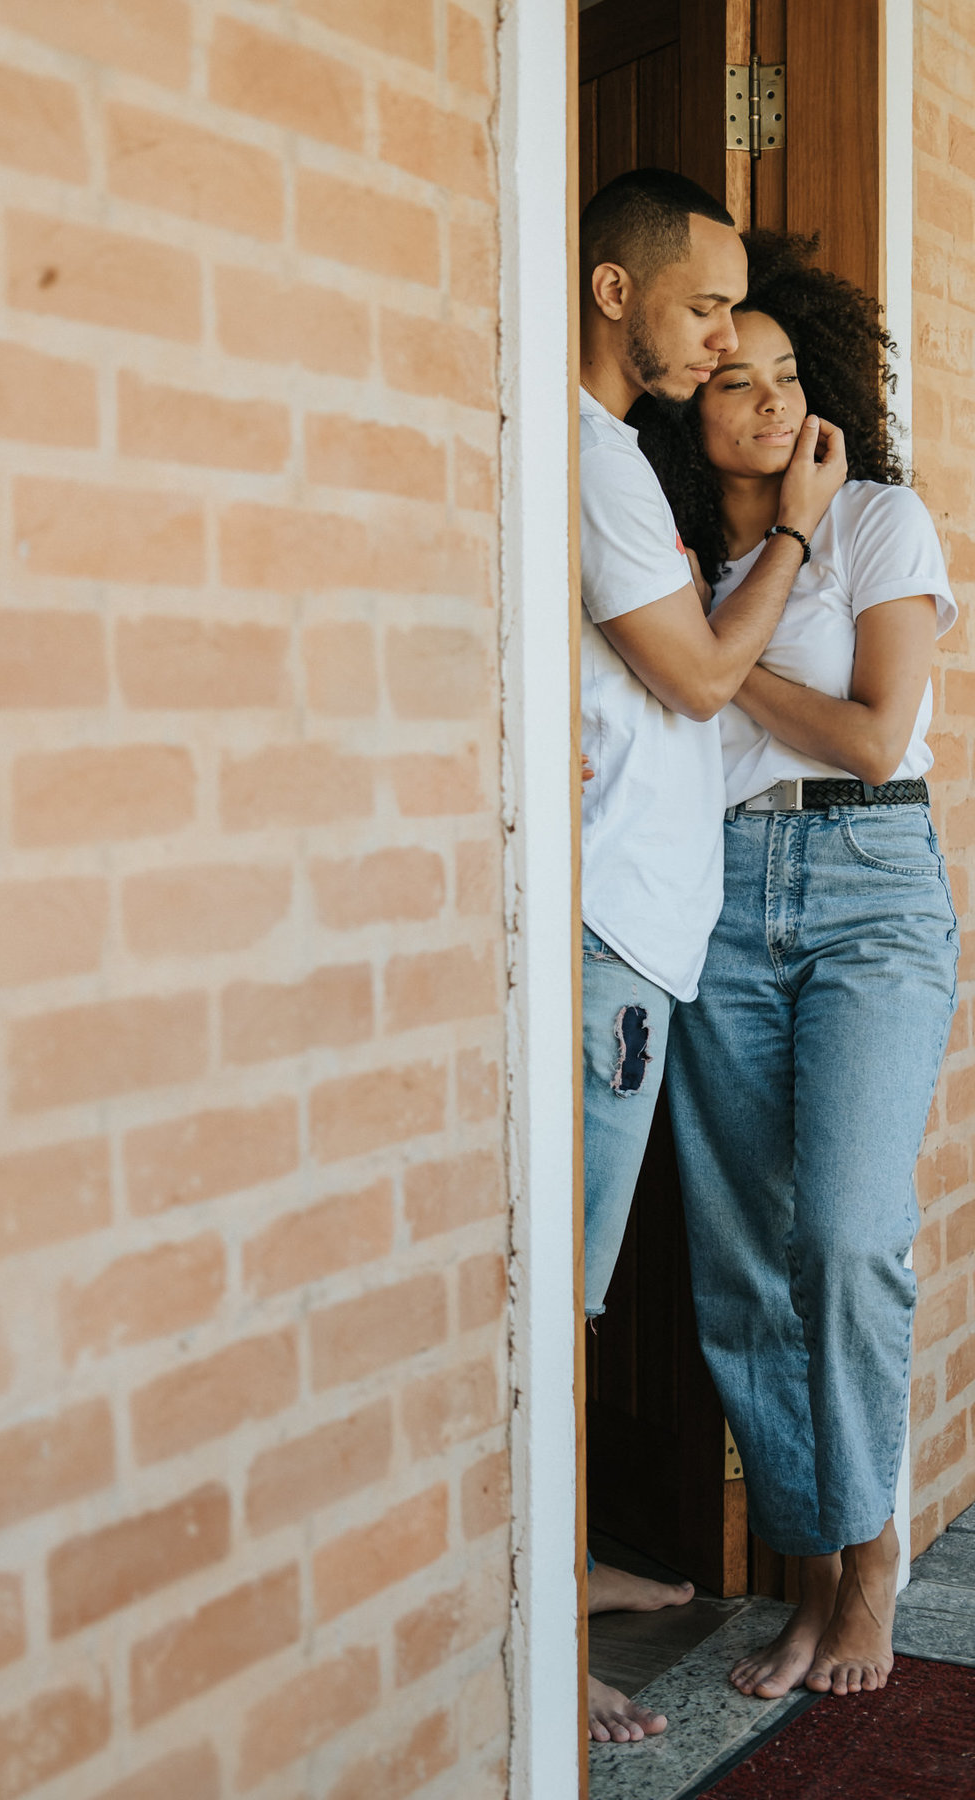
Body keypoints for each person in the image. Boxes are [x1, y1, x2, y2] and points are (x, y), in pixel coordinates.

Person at [635, 232, 959, 1701]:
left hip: (869, 884)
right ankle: (814, 1577)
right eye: (735, 379)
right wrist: (717, 614)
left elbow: (872, 736)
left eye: (788, 377)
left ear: (820, 395)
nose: (766, 402)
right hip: (718, 894)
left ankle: (873, 1561)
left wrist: (706, 649)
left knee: (841, 1233)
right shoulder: (670, 552)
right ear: (691, 406)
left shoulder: (877, 522)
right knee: (743, 1270)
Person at [577, 172, 847, 1743]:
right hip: (619, 930)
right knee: (571, 1293)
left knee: (591, 1278)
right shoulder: (603, 462)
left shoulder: (616, 464)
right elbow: (692, 683)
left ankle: (569, 1561)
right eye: (702, 316)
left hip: (647, 931)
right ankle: (543, 1627)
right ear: (618, 295)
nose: (717, 344)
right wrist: (798, 537)